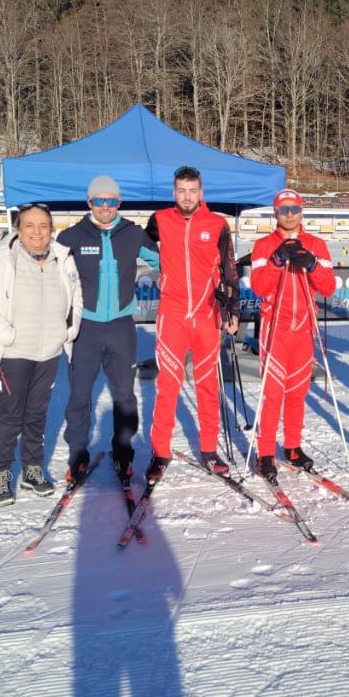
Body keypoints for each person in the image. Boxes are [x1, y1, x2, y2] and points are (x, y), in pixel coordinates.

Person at [0, 202, 83, 505]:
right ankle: (0, 471)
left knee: (37, 414)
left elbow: (76, 298)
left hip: (49, 352)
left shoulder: (63, 258)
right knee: (10, 416)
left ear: (51, 229)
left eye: (43, 226)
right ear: (18, 229)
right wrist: (7, 334)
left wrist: (69, 330)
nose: (37, 232)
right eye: (30, 225)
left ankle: (32, 468)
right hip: (13, 352)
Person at [57, 174, 160, 486]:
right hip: (85, 328)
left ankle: (123, 452)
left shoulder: (133, 234)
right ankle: (78, 454)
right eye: (99, 200)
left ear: (119, 202)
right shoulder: (71, 236)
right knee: (79, 396)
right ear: (89, 202)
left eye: (111, 200)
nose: (105, 206)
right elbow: (47, 273)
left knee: (125, 396)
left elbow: (166, 263)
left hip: (121, 327)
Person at [143, 166, 240, 483]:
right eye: (182, 191)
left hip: (206, 313)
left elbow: (229, 270)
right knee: (167, 385)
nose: (187, 197)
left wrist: (233, 310)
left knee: (208, 385)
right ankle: (160, 452)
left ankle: (209, 450)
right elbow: (139, 243)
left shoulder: (217, 224)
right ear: (174, 192)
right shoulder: (160, 220)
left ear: (201, 192)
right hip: (172, 313)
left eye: (192, 191)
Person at [247, 189, 336, 482]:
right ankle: (265, 453)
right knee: (273, 394)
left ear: (301, 211)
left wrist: (312, 265)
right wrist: (275, 262)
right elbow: (259, 288)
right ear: (275, 212)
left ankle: (293, 447)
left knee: (297, 392)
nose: (289, 214)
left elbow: (328, 288)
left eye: (294, 208)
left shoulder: (317, 245)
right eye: (283, 209)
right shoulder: (263, 245)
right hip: (275, 327)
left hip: (304, 328)